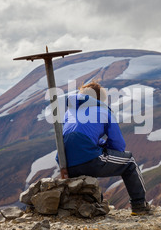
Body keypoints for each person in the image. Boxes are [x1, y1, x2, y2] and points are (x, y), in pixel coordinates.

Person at [60, 81, 151, 215]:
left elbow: (77, 137)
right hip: (89, 160)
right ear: (99, 99)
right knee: (129, 162)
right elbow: (118, 144)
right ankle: (139, 206)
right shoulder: (102, 111)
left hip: (66, 164)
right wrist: (107, 149)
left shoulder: (69, 112)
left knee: (90, 157)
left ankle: (92, 205)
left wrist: (98, 144)